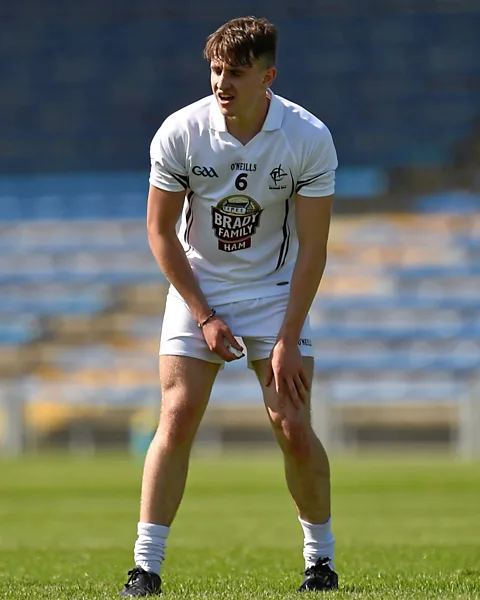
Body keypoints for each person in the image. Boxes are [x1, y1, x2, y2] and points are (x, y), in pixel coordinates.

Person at [120, 16, 339, 596]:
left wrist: (289, 337)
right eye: (216, 70)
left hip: (274, 293)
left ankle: (320, 561)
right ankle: (145, 567)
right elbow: (160, 232)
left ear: (268, 76)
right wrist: (205, 315)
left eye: (236, 73)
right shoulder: (179, 131)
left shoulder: (308, 138)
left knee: (292, 426)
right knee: (178, 415)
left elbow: (315, 247)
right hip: (200, 290)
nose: (222, 83)